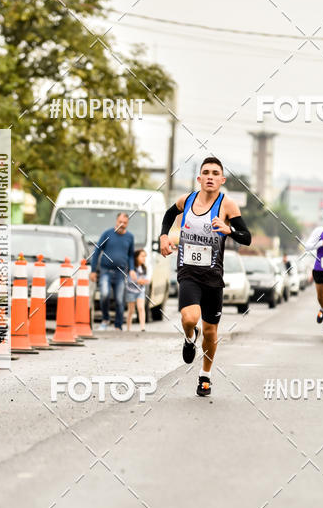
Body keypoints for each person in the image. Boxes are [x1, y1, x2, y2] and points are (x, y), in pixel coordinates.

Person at [159, 156, 252, 396]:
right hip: (188, 272)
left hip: (213, 277)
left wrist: (229, 229)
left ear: (222, 180)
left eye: (215, 173)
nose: (210, 177)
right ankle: (190, 338)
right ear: (199, 178)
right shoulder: (187, 200)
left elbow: (247, 237)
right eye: (206, 173)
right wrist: (163, 236)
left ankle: (205, 375)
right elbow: (169, 215)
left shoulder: (227, 205)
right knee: (190, 318)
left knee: (211, 331)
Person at [89, 212, 137, 331]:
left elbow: (131, 255)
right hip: (106, 270)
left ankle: (118, 325)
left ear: (127, 223)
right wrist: (93, 270)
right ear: (116, 221)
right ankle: (105, 319)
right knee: (104, 294)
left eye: (125, 223)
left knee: (120, 299)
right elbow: (97, 251)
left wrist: (132, 269)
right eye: (120, 222)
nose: (122, 224)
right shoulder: (108, 234)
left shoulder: (130, 237)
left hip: (120, 273)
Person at [126, 248, 150, 331]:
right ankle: (128, 327)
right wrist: (138, 281)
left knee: (141, 308)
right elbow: (129, 280)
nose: (144, 258)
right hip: (131, 291)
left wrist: (144, 281)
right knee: (131, 310)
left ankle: (142, 327)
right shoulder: (131, 268)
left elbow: (145, 278)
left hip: (140, 291)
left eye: (145, 257)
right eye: (142, 256)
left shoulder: (143, 268)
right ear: (136, 257)